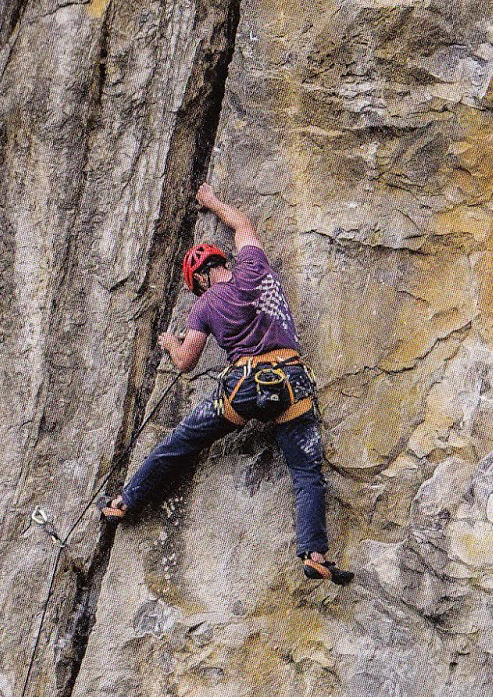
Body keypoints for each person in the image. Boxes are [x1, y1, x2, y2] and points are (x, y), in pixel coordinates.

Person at [103, 183, 353, 585]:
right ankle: (315, 553)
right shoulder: (255, 265)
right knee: (306, 471)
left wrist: (171, 343)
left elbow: (186, 362)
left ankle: (124, 501)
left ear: (199, 280)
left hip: (242, 390)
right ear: (223, 261)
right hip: (290, 382)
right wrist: (212, 202)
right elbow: (242, 223)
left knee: (181, 441)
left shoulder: (203, 305)